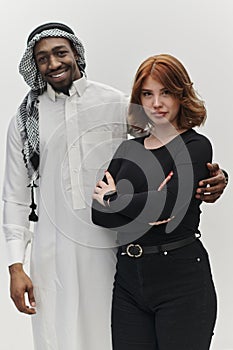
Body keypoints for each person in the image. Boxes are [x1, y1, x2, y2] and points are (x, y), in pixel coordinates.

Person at [2, 22, 226, 350]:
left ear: (77, 53)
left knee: (109, 338)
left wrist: (215, 178)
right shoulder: (24, 121)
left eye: (60, 53)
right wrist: (15, 265)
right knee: (56, 337)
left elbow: (171, 144)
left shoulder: (115, 104)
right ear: (33, 64)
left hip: (113, 252)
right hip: (52, 251)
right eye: (42, 58)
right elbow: (15, 195)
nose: (53, 63)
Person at [92, 54, 225, 350]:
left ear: (181, 94)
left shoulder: (195, 145)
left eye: (166, 92)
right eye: (148, 94)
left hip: (181, 277)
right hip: (128, 278)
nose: (156, 103)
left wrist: (116, 198)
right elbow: (99, 214)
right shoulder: (128, 149)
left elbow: (170, 203)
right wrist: (147, 203)